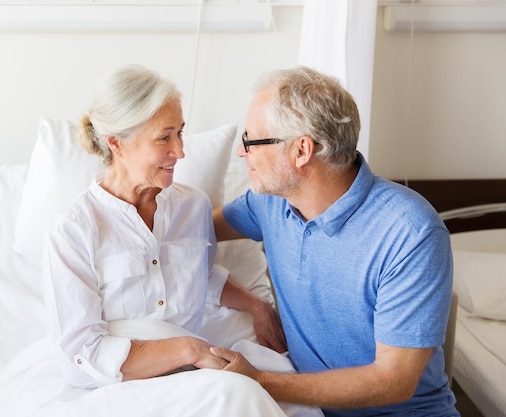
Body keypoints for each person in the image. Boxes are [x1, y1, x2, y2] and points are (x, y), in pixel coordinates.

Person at [210, 66, 460, 416]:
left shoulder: (410, 233)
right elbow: (196, 229)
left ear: (301, 151)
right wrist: (252, 302)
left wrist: (258, 379)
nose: (241, 152)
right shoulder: (271, 202)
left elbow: (394, 381)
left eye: (251, 140)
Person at [41, 64, 285, 390]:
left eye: (180, 132)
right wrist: (187, 349)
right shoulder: (72, 232)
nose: (180, 151)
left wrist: (258, 305)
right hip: (118, 385)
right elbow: (79, 359)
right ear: (117, 143)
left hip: (193, 373)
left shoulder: (194, 207)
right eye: (164, 137)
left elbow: (200, 275)